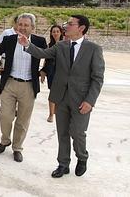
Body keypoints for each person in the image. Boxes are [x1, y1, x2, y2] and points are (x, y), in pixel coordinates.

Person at [21, 15, 104, 178]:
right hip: (61, 97)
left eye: (70, 24)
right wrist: (27, 45)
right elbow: (42, 53)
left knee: (78, 132)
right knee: (63, 133)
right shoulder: (60, 46)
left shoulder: (94, 49)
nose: (66, 26)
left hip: (82, 100)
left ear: (81, 28)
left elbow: (98, 78)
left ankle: (82, 157)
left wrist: (90, 101)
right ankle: (63, 164)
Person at [0, 13, 47, 163]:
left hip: (28, 86)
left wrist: (44, 70)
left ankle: (17, 148)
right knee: (5, 116)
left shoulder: (40, 41)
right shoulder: (9, 40)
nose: (22, 27)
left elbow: (49, 57)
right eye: (20, 24)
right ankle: (5, 140)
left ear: (32, 28)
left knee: (22, 121)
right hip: (9, 83)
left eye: (26, 25)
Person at [0, 16, 18, 109]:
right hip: (6, 60)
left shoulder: (23, 34)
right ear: (14, 23)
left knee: (15, 82)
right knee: (6, 82)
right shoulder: (7, 33)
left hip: (18, 61)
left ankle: (15, 107)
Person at [40, 24, 63, 123]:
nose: (55, 33)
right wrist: (43, 71)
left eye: (57, 31)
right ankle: (51, 114)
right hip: (51, 71)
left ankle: (57, 112)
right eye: (54, 31)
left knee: (61, 93)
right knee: (53, 92)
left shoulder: (65, 44)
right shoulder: (49, 45)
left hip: (62, 72)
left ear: (61, 33)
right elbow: (46, 59)